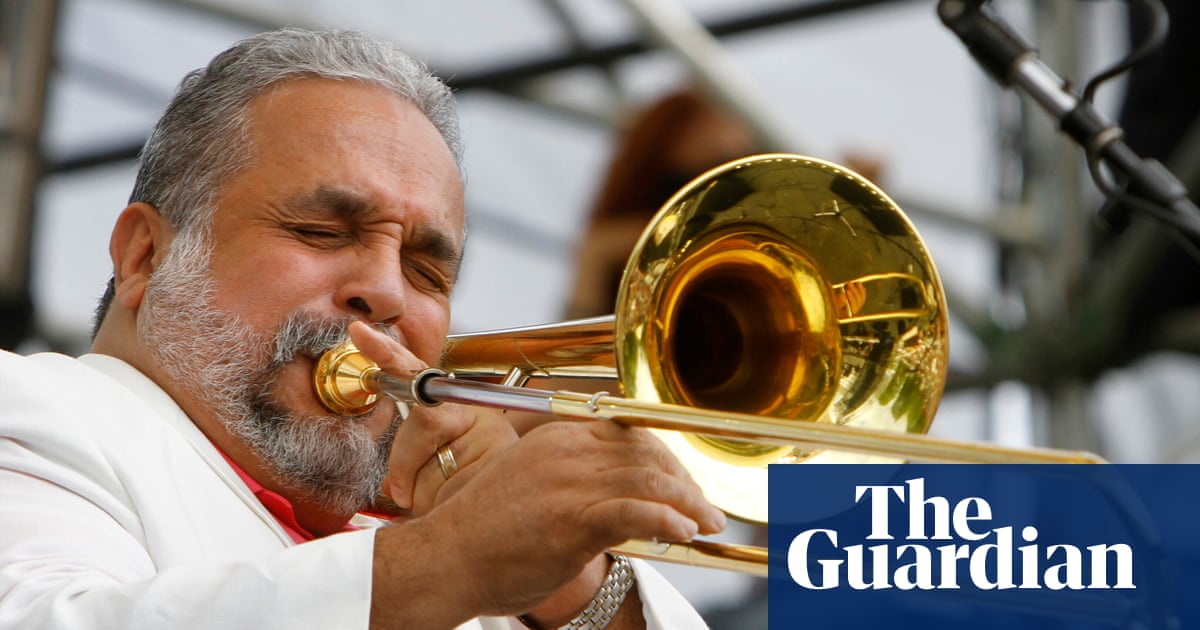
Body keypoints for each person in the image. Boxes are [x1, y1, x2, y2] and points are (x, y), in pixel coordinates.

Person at [0, 28, 725, 629]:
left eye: (428, 273)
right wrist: (452, 560)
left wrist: (580, 590)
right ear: (145, 257)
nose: (384, 292)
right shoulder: (27, 405)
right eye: (320, 231)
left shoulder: (446, 554)